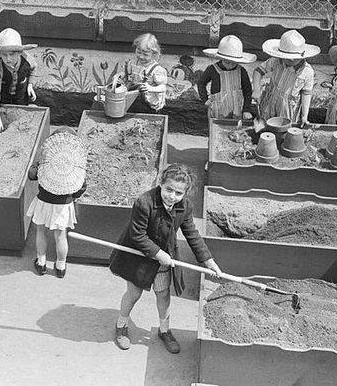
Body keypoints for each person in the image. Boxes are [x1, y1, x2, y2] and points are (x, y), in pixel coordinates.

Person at [110, 164, 221, 354]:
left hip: (163, 259)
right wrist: (158, 253)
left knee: (163, 294)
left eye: (178, 193)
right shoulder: (144, 202)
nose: (172, 196)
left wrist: (209, 261)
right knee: (134, 294)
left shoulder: (184, 207)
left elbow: (192, 235)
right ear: (161, 183)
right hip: (139, 257)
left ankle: (164, 330)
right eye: (168, 189)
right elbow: (137, 235)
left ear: (185, 193)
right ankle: (121, 325)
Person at [27, 128, 86, 279]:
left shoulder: (46, 163)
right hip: (63, 206)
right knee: (61, 236)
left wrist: (37, 163)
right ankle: (60, 266)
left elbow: (32, 175)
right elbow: (81, 187)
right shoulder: (74, 167)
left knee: (40, 231)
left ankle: (41, 263)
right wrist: (72, 197)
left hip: (43, 202)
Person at [252, 30, 320, 127]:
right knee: (265, 130)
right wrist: (257, 90)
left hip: (288, 109)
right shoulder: (275, 61)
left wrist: (305, 116)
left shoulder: (307, 72)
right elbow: (258, 72)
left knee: (285, 132)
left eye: (293, 59)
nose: (289, 60)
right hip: (269, 103)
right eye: (286, 57)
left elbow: (306, 93)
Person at [0, 28, 37, 134]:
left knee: (21, 112)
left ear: (20, 53)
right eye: (4, 54)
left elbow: (34, 68)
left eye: (12, 54)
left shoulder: (27, 59)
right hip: (4, 95)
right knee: (5, 114)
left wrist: (30, 85)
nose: (8, 59)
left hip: (21, 93)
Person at [197, 35, 256, 120]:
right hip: (217, 110)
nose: (230, 65)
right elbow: (201, 83)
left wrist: (246, 109)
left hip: (236, 110)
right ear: (221, 58)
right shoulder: (213, 69)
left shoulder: (241, 71)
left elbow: (247, 91)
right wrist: (205, 99)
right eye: (227, 62)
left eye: (233, 63)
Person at [123, 33, 168, 113]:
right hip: (135, 100)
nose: (141, 56)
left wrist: (151, 88)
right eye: (138, 52)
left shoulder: (157, 70)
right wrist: (124, 90)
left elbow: (163, 87)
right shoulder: (133, 64)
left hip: (150, 104)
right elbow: (130, 80)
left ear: (154, 54)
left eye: (145, 54)